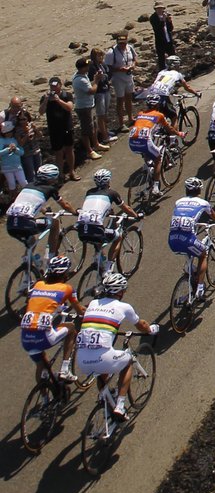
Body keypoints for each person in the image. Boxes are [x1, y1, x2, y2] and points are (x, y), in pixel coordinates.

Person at [75, 271, 159, 420]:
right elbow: (142, 325)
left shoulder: (93, 303)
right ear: (120, 291)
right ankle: (120, 405)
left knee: (102, 372)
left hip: (82, 361)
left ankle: (106, 399)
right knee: (128, 361)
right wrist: (151, 330)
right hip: (104, 357)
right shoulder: (124, 307)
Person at [20, 254, 85, 384]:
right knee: (71, 329)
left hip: (25, 339)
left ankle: (44, 398)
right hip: (44, 337)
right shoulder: (67, 288)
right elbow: (80, 312)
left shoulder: (38, 284)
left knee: (42, 364)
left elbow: (40, 304)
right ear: (65, 273)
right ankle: (65, 369)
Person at [167, 177, 215, 306]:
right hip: (188, 239)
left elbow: (183, 217)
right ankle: (200, 288)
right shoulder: (203, 203)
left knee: (190, 261)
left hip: (172, 240)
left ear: (186, 190)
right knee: (203, 255)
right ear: (199, 190)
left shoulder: (178, 201)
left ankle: (190, 280)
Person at [6, 163, 76, 256]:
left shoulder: (28, 186)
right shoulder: (50, 189)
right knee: (54, 223)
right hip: (26, 223)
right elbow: (65, 205)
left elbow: (29, 202)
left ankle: (27, 262)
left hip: (10, 224)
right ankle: (52, 255)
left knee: (31, 242)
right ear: (52, 178)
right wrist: (75, 212)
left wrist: (43, 210)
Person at [76, 168, 141, 266]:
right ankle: (108, 268)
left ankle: (98, 257)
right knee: (118, 237)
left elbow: (97, 206)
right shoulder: (112, 193)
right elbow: (126, 208)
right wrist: (136, 216)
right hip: (96, 230)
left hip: (81, 231)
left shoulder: (89, 192)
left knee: (96, 237)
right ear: (108, 181)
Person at [128, 96, 185, 197]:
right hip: (144, 141)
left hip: (132, 141)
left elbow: (145, 125)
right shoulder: (159, 115)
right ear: (158, 105)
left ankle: (148, 171)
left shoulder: (140, 113)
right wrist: (179, 133)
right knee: (158, 158)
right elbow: (169, 129)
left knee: (147, 155)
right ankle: (155, 186)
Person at [39, 76, 77, 180]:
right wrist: (46, 100)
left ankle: (72, 171)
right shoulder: (45, 97)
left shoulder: (67, 95)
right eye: (51, 86)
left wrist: (58, 100)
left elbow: (69, 108)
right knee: (58, 152)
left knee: (69, 149)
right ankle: (60, 174)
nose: (53, 88)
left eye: (55, 85)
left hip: (67, 127)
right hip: (54, 129)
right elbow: (41, 111)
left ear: (60, 85)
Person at [72, 56, 108, 161]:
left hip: (89, 105)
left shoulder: (83, 76)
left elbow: (89, 87)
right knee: (86, 130)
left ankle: (96, 144)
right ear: (82, 68)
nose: (89, 67)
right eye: (87, 66)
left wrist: (94, 80)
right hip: (84, 107)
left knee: (94, 127)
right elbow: (92, 91)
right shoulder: (80, 80)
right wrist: (96, 81)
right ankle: (89, 151)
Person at [149, 55, 200, 122]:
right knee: (173, 116)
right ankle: (172, 132)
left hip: (151, 94)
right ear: (176, 65)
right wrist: (196, 93)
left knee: (153, 114)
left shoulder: (161, 72)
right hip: (163, 95)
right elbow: (187, 88)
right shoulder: (177, 74)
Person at [105, 34, 138, 131]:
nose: (122, 45)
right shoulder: (111, 52)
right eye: (120, 43)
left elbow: (135, 58)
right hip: (118, 78)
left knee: (129, 97)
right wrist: (120, 69)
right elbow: (108, 67)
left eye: (124, 43)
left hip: (128, 76)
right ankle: (121, 123)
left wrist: (133, 65)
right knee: (120, 100)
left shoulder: (130, 48)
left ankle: (130, 118)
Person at [88, 48, 117, 149]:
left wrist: (109, 80)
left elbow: (109, 74)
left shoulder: (103, 65)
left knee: (105, 113)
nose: (101, 57)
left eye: (101, 55)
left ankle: (105, 130)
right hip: (99, 92)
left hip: (106, 89)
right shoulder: (92, 67)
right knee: (100, 114)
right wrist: (97, 78)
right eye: (98, 56)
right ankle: (105, 137)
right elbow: (91, 80)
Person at [0, 124, 27, 195]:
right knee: (11, 184)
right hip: (6, 167)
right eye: (7, 132)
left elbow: (22, 152)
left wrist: (16, 149)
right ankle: (14, 198)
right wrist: (8, 149)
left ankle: (28, 195)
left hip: (17, 165)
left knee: (23, 182)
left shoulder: (14, 140)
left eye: (11, 131)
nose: (9, 133)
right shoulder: (1, 141)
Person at [148, 3, 175, 73]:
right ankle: (162, 72)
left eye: (161, 8)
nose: (160, 10)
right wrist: (163, 20)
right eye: (158, 9)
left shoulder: (165, 15)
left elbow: (170, 29)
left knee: (172, 56)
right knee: (161, 58)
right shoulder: (153, 18)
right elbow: (157, 29)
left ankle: (174, 71)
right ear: (155, 9)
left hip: (168, 39)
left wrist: (169, 21)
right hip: (160, 41)